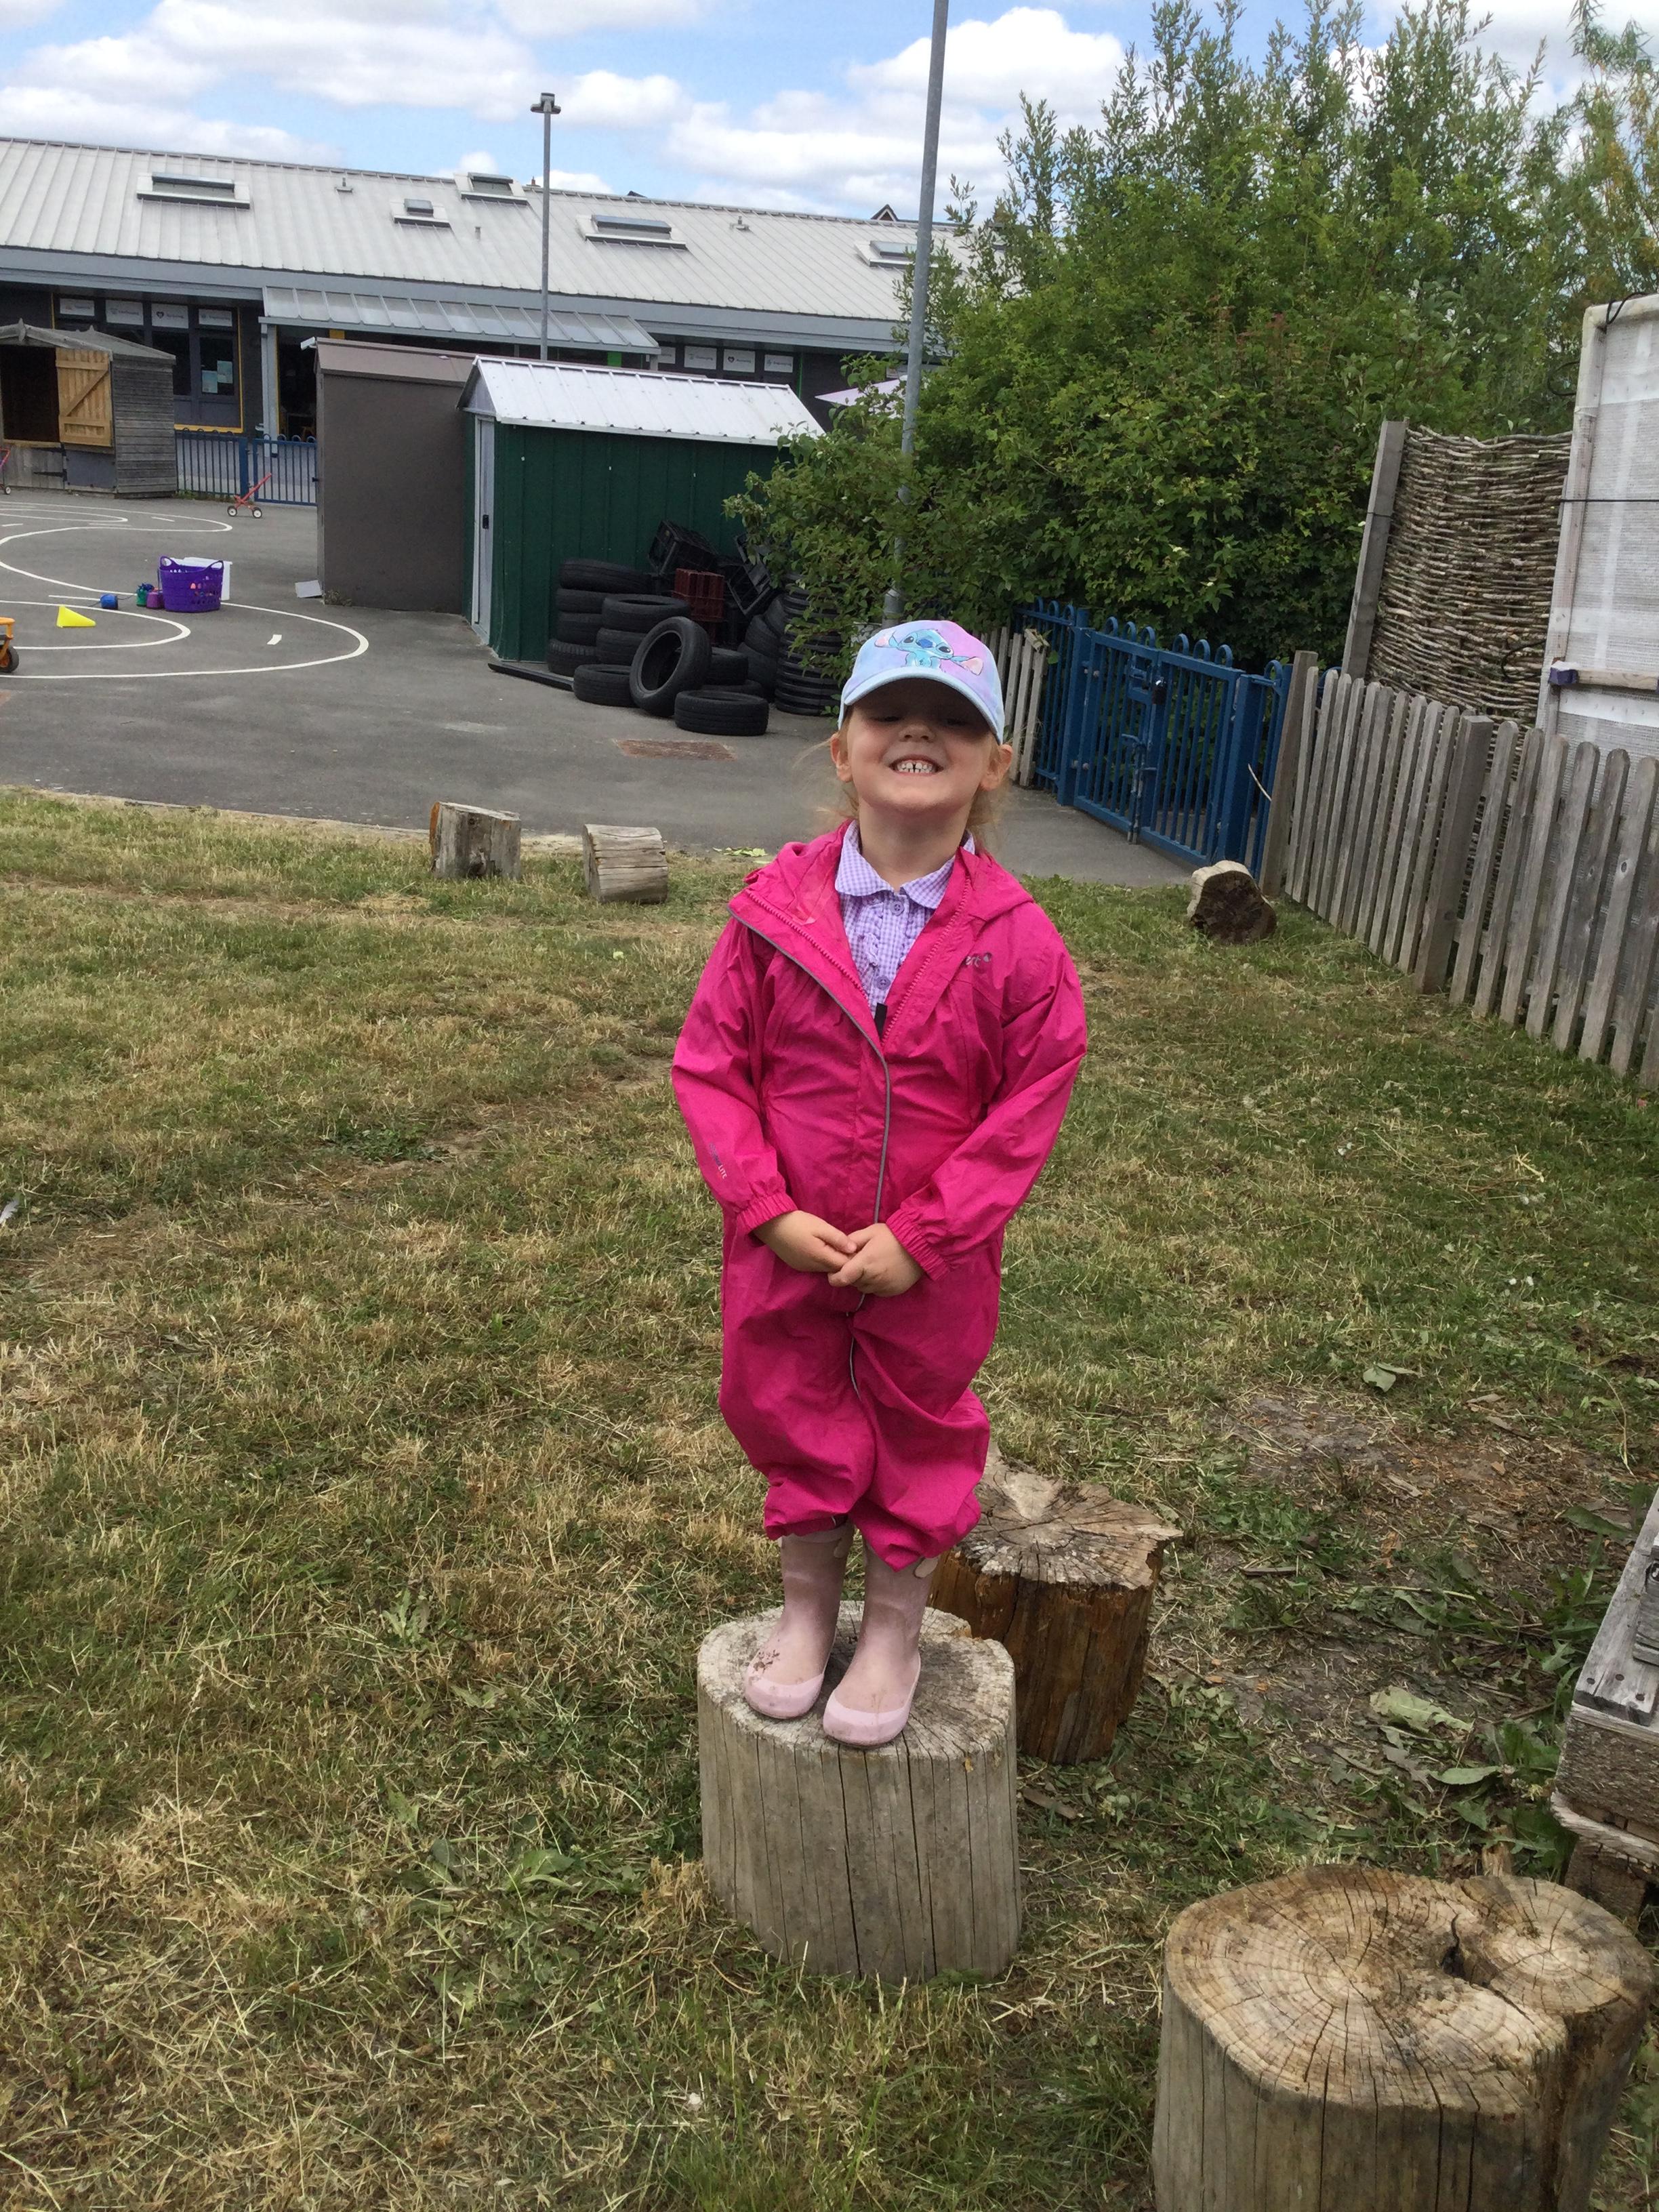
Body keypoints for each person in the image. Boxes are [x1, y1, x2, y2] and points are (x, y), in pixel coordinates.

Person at [672, 619, 1087, 1746]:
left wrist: (929, 1235)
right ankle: (810, 1611)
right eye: (891, 713)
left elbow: (1027, 1108)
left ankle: (895, 1627)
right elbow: (713, 1068)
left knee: (919, 1423)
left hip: (932, 1264)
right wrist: (764, 1209)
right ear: (843, 748)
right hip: (788, 1246)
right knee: (787, 1401)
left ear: (995, 764)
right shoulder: (770, 916)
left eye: (954, 720)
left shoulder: (1020, 943)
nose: (920, 733)